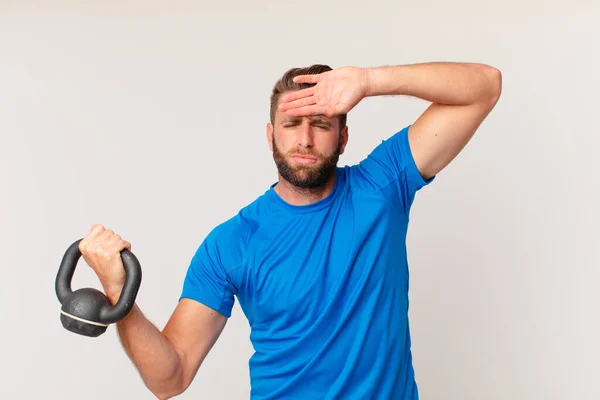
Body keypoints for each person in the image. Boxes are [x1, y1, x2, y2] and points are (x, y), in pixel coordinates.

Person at [78, 62, 502, 399]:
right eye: (291, 124)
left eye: (320, 123)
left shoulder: (383, 186)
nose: (305, 139)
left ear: (342, 137)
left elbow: (484, 86)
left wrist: (370, 80)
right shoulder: (231, 243)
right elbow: (169, 379)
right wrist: (121, 298)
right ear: (270, 136)